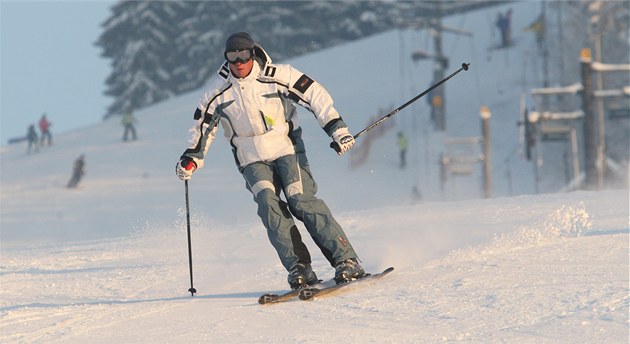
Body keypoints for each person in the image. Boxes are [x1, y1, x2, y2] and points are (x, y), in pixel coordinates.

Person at [175, 32, 365, 290]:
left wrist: (337, 129)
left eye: (244, 55)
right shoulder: (217, 92)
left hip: (286, 149)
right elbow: (201, 127)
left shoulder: (277, 75)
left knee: (300, 200)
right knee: (268, 205)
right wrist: (191, 158)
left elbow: (315, 95)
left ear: (253, 54)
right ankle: (299, 267)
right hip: (250, 159)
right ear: (226, 59)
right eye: (233, 57)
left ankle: (347, 260)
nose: (239, 62)